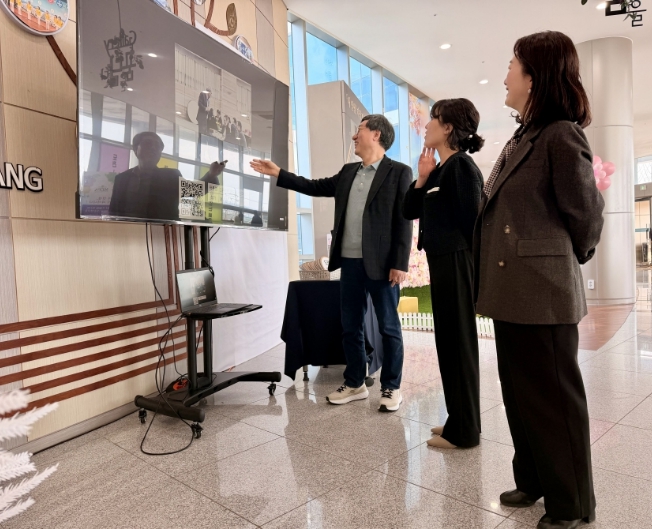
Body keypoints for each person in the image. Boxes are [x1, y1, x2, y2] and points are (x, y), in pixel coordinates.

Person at [474, 31, 604, 529]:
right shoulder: (523, 136)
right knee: (519, 393)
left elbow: (586, 214)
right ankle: (532, 478)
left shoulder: (560, 134)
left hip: (543, 291)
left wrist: (567, 260)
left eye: (513, 64)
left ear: (534, 77)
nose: (505, 74)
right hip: (512, 289)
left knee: (552, 401)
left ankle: (571, 503)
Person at [250, 115, 412, 412]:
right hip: (349, 263)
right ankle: (355, 383)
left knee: (389, 327)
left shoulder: (399, 171)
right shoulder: (349, 172)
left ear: (376, 134)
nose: (354, 136)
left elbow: (404, 220)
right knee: (350, 327)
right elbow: (315, 186)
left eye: (359, 130)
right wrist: (279, 174)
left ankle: (391, 387)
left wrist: (400, 263)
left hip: (382, 265)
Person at [402, 98, 484, 449]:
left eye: (433, 118)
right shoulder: (440, 170)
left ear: (448, 127)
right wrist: (422, 177)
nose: (426, 124)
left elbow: (473, 224)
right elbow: (408, 210)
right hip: (443, 262)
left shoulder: (461, 167)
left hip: (456, 261)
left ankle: (464, 431)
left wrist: (471, 272)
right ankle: (460, 420)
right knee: (449, 344)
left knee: (458, 344)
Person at [108, 131, 225, 221]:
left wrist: (211, 174)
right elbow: (113, 212)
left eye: (158, 146)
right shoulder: (122, 179)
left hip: (163, 236)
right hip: (129, 235)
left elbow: (195, 190)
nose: (153, 148)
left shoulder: (171, 176)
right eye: (148, 143)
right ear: (135, 149)